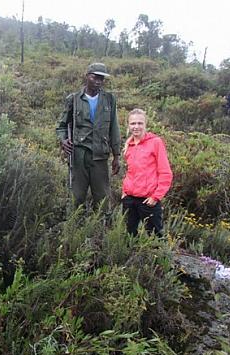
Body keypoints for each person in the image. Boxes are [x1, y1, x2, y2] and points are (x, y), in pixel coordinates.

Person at [56, 63, 121, 209]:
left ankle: (103, 228)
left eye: (101, 78)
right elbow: (61, 126)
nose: (98, 81)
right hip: (79, 155)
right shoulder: (73, 99)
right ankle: (74, 227)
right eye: (95, 77)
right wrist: (63, 140)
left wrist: (116, 155)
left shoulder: (109, 99)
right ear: (87, 76)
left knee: (103, 198)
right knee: (76, 197)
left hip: (100, 156)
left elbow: (114, 128)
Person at [121, 109, 173, 236]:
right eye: (133, 123)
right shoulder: (129, 144)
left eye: (140, 123)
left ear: (145, 124)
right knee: (128, 235)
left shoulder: (155, 142)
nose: (136, 127)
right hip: (130, 199)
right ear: (128, 125)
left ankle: (158, 256)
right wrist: (124, 192)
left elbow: (165, 173)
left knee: (155, 237)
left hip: (148, 200)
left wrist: (156, 197)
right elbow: (131, 171)